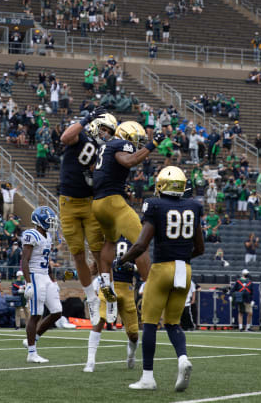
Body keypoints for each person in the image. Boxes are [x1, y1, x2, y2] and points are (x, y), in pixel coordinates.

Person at [116, 166, 204, 392]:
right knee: (174, 323)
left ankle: (147, 377)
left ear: (162, 185)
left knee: (151, 323)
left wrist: (121, 260)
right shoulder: (194, 206)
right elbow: (200, 248)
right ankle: (183, 358)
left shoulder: (155, 205)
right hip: (185, 269)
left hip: (162, 268)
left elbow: (141, 244)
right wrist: (181, 257)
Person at [92, 117, 162, 303]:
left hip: (98, 202)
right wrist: (152, 144)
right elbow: (129, 161)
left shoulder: (104, 147)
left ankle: (106, 283)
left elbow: (101, 172)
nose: (137, 145)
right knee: (141, 242)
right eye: (136, 140)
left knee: (110, 242)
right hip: (113, 202)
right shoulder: (121, 144)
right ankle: (149, 287)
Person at [58, 106, 107, 324]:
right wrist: (87, 118)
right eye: (103, 128)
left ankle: (108, 295)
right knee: (78, 254)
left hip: (89, 202)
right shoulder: (81, 137)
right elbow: (66, 136)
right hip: (68, 202)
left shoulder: (106, 149)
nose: (106, 133)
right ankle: (92, 300)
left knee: (98, 252)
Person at [85, 239, 140, 372]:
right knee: (99, 320)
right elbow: (95, 267)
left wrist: (133, 267)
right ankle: (90, 361)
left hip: (127, 288)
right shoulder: (109, 238)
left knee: (134, 334)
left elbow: (144, 268)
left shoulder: (135, 238)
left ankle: (131, 355)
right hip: (108, 285)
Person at [21, 206, 62, 363]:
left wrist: (53, 280)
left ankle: (33, 339)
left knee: (57, 312)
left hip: (45, 276)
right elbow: (24, 260)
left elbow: (47, 262)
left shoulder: (48, 236)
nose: (52, 224)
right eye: (49, 221)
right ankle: (31, 353)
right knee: (36, 314)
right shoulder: (31, 235)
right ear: (40, 220)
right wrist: (28, 283)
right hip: (35, 275)